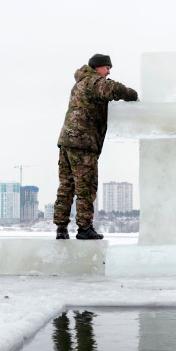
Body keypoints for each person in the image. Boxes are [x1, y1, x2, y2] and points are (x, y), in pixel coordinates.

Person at [54, 53, 138, 240]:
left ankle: (61, 228)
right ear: (96, 67)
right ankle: (84, 228)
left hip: (67, 141)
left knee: (66, 186)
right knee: (85, 187)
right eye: (107, 67)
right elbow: (113, 89)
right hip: (83, 143)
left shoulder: (79, 83)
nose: (108, 72)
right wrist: (133, 95)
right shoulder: (93, 82)